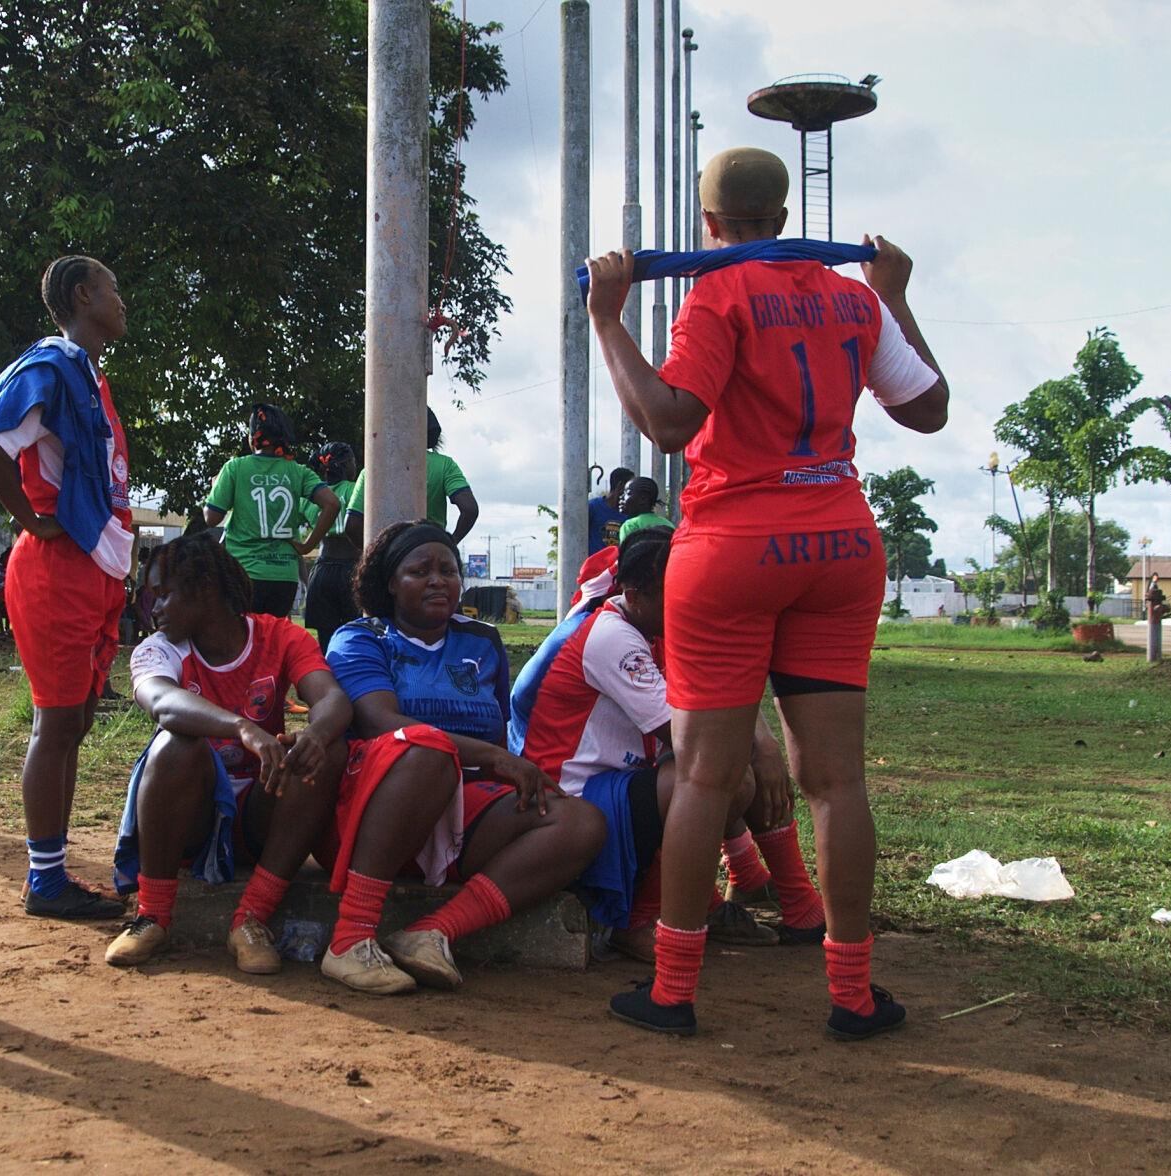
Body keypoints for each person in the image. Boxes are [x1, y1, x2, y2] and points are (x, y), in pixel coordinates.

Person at [584, 146, 948, 1039]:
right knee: (837, 782)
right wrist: (895, 292)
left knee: (706, 773)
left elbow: (671, 422)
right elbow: (930, 408)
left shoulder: (718, 292)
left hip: (734, 548)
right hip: (839, 543)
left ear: (709, 227)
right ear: (783, 218)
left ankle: (672, 991)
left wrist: (607, 318)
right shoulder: (854, 296)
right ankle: (855, 996)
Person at [316, 521, 606, 994]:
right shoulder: (360, 638)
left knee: (581, 822)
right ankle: (351, 938)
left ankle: (432, 934)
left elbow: (497, 726)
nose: (438, 580)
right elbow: (379, 722)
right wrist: (491, 755)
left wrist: (504, 767)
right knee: (428, 749)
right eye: (421, 570)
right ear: (390, 582)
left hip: (462, 804)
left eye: (448, 570)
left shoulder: (481, 641)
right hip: (374, 809)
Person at [510, 527, 821, 962]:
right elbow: (687, 735)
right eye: (672, 594)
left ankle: (791, 902)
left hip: (618, 778)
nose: (687, 602)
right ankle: (644, 916)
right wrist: (756, 748)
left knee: (730, 764)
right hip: (573, 792)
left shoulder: (656, 623)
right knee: (719, 775)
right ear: (634, 596)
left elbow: (717, 694)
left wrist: (765, 745)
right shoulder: (611, 635)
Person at [0, 254, 134, 922]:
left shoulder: (88, 375)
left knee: (77, 720)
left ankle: (56, 867)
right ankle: (45, 879)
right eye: (114, 289)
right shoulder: (49, 365)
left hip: (98, 565)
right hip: (56, 568)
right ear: (82, 294)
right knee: (56, 720)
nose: (123, 302)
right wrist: (30, 518)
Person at [108, 535, 352, 972]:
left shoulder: (279, 636)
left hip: (262, 808)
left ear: (204, 587)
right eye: (151, 598)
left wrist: (315, 732)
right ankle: (153, 916)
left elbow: (332, 698)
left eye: (163, 594)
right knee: (176, 743)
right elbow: (162, 703)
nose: (153, 608)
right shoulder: (159, 648)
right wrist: (243, 728)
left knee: (327, 750)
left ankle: (252, 918)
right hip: (193, 818)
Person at [202, 404, 340, 620]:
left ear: (252, 438)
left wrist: (215, 488)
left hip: (244, 574)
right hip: (284, 577)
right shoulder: (297, 471)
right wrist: (308, 545)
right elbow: (332, 504)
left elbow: (212, 518)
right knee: (271, 641)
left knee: (243, 643)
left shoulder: (235, 468)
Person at [343, 408, 478, 547]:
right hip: (430, 549)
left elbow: (352, 526)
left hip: (389, 555)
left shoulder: (373, 470)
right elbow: (470, 509)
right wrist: (450, 543)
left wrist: (375, 553)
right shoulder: (445, 465)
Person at [301, 441, 361, 651]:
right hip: (352, 569)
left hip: (322, 571)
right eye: (353, 462)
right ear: (345, 465)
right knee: (356, 639)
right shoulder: (357, 490)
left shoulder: (311, 497)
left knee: (326, 646)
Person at [588, 467, 635, 556]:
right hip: (595, 566)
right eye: (630, 487)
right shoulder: (593, 507)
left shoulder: (629, 513)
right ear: (621, 486)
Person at [615, 476, 673, 544]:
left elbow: (628, 553)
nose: (621, 497)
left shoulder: (630, 526)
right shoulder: (668, 524)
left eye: (628, 493)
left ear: (643, 499)